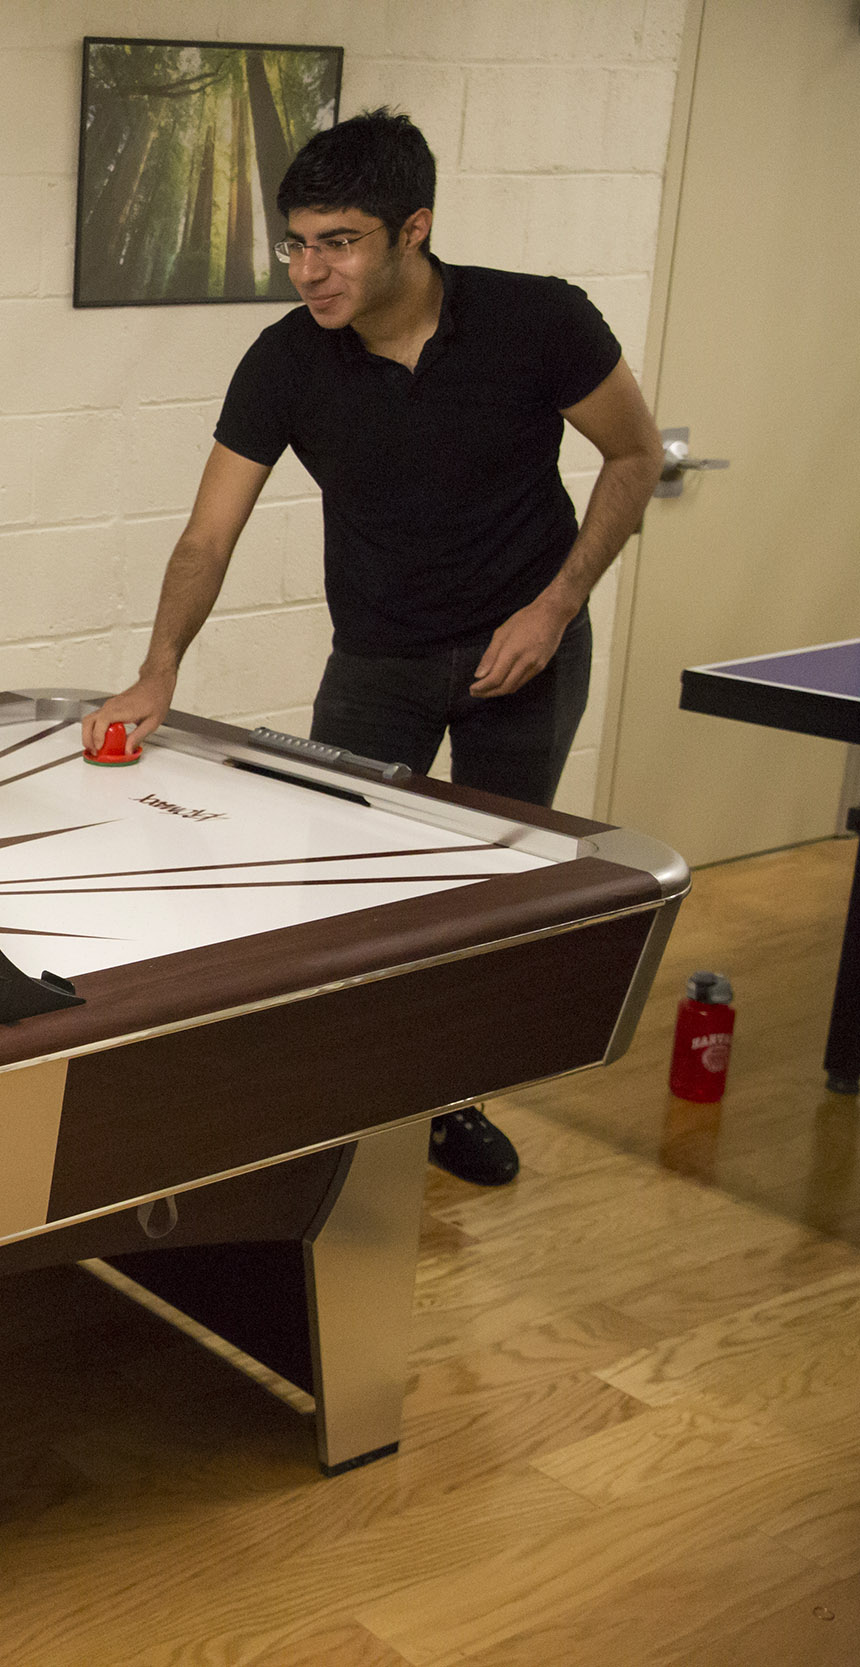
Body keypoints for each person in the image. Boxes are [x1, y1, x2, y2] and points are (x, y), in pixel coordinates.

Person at [82, 109, 664, 1187]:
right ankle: (336, 1103)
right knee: (338, 887)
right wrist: (161, 663)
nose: (309, 270)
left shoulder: (540, 321)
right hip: (377, 660)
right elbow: (208, 533)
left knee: (491, 898)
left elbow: (632, 452)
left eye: (337, 241)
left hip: (523, 654)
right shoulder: (283, 361)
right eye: (296, 242)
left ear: (413, 231)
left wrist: (556, 604)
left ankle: (450, 1100)